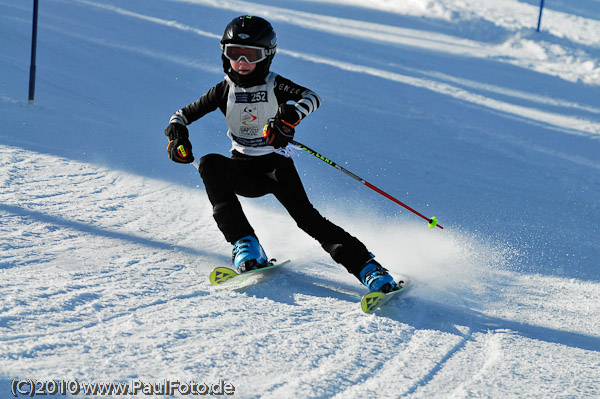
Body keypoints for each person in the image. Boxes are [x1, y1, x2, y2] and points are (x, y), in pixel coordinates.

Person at [164, 15, 398, 293]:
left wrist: (290, 118)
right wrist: (177, 134)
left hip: (276, 168)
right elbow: (181, 115)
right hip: (242, 170)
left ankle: (371, 270)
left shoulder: (275, 84)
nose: (242, 62)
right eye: (234, 53)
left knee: (309, 221)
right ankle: (246, 246)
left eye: (251, 55)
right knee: (209, 164)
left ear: (267, 57)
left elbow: (311, 97)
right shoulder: (223, 89)